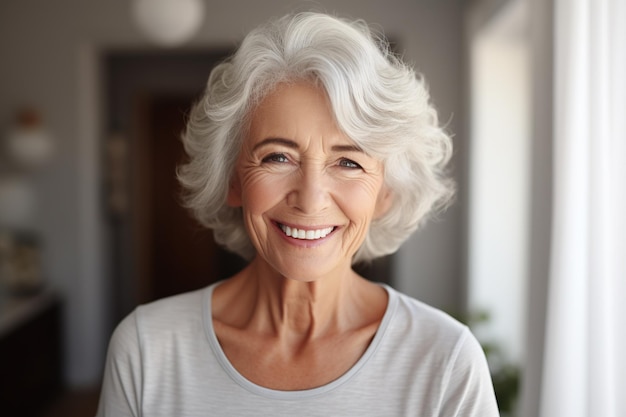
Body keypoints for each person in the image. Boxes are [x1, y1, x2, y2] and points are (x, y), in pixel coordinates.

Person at [96, 12, 499, 417]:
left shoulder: (446, 361)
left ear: (385, 194)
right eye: (277, 157)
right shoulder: (146, 349)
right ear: (232, 181)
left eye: (348, 163)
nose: (310, 200)